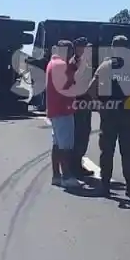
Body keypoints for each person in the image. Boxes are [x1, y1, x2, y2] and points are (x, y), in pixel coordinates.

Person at [86, 34, 130, 198]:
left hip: (109, 113)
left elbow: (91, 89)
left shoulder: (105, 66)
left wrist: (99, 106)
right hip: (128, 114)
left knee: (107, 151)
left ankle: (105, 186)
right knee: (127, 151)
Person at [46, 40, 82, 188]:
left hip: (55, 109)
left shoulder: (53, 63)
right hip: (63, 109)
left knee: (57, 144)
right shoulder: (62, 65)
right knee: (65, 146)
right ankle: (67, 176)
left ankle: (56, 175)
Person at [70, 37, 95, 178]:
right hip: (78, 103)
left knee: (84, 133)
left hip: (85, 103)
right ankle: (74, 166)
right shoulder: (74, 63)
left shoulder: (85, 63)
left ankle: (77, 164)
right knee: (79, 134)